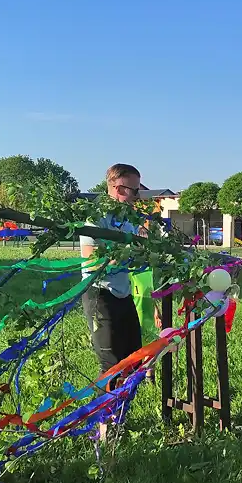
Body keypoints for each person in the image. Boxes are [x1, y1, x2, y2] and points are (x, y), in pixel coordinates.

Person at [79, 163, 147, 410]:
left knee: (135, 360)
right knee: (112, 364)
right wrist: (129, 254)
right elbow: (92, 258)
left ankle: (119, 416)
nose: (136, 197)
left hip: (122, 293)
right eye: (134, 190)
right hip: (99, 294)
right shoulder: (95, 219)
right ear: (118, 188)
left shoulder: (128, 220)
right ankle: (99, 423)